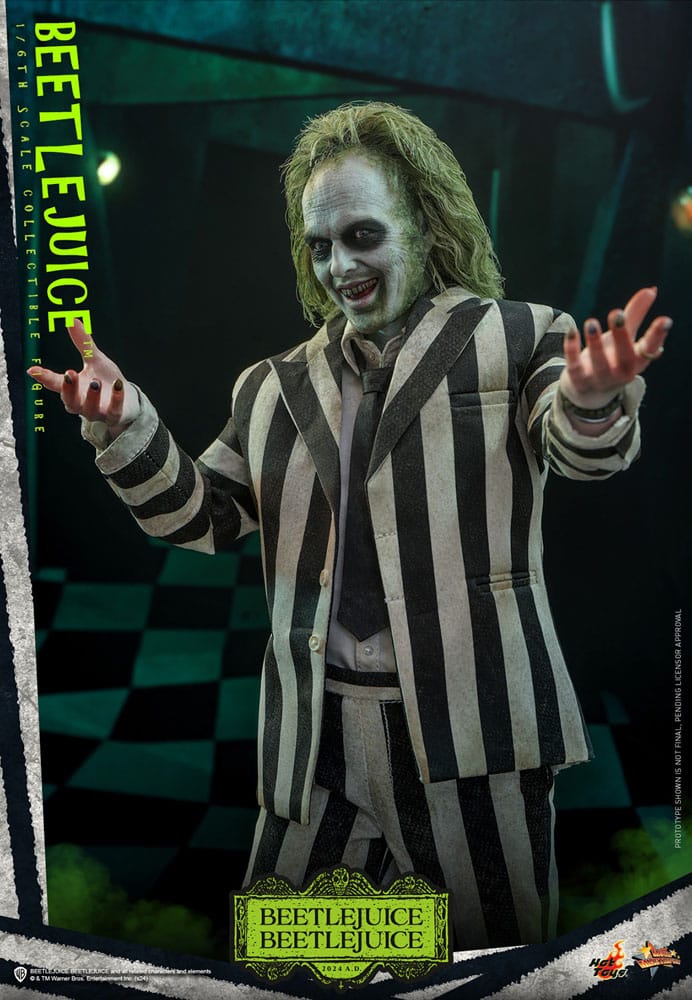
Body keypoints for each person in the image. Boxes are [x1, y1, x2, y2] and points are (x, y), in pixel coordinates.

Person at [28, 102, 671, 950]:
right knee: (295, 957)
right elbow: (202, 518)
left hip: (473, 733)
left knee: (482, 963)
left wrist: (590, 399)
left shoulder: (523, 337)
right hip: (315, 737)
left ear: (426, 223)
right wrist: (126, 428)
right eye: (321, 246)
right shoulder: (271, 386)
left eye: (364, 236)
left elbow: (580, 448)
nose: (340, 265)